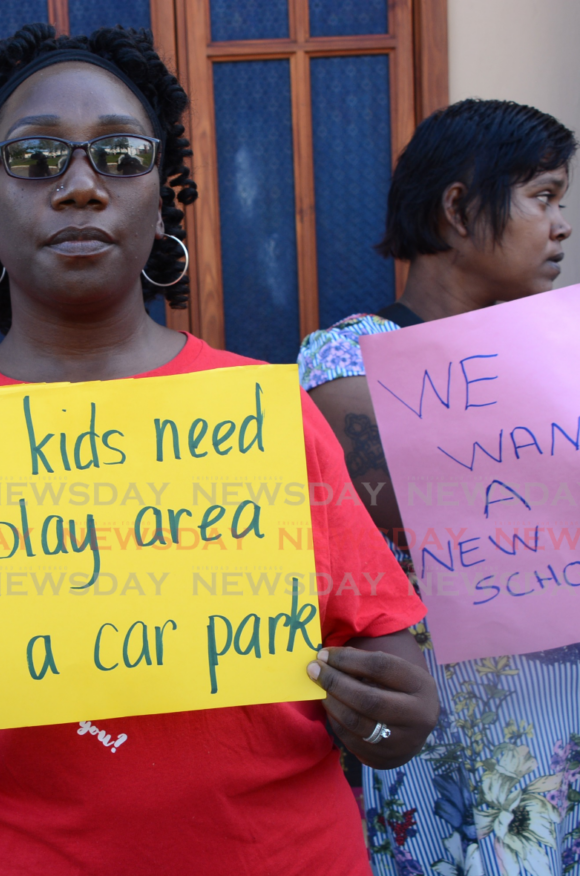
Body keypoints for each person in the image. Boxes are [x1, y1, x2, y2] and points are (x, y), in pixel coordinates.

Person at [0, 24, 439, 875]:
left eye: (121, 155)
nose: (81, 188)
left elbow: (390, 693)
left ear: (159, 199)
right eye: (35, 159)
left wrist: (391, 722)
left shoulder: (268, 417)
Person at [298, 100, 580, 876]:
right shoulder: (348, 359)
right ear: (458, 208)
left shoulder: (562, 359)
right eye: (544, 196)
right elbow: (414, 501)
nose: (561, 225)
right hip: (452, 749)